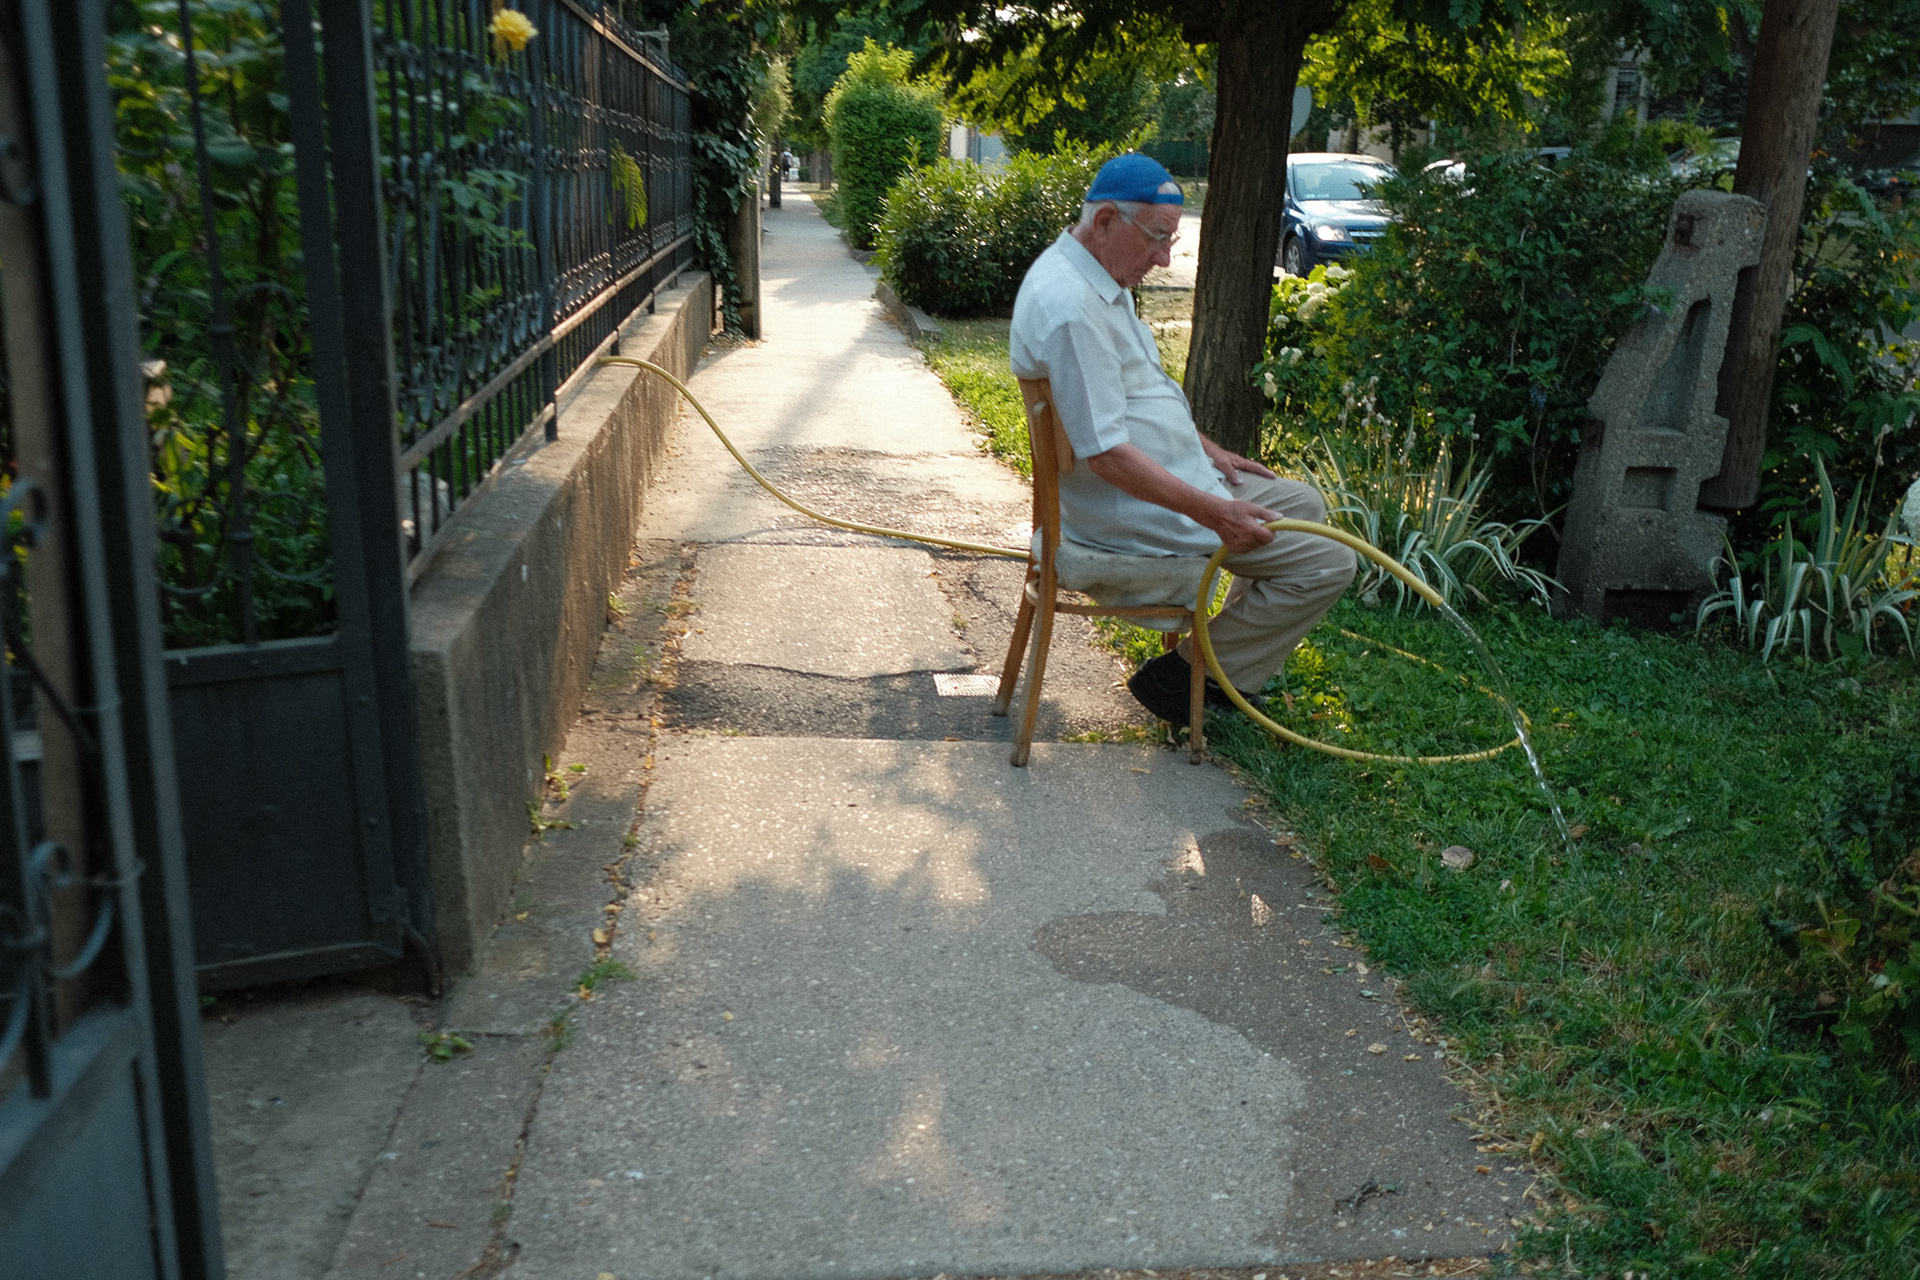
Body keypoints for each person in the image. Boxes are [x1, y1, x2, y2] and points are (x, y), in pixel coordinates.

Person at [1008, 152, 1356, 727]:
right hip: (1128, 514)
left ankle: (1219, 670)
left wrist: (1208, 451)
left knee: (1304, 504)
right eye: (1156, 238)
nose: (1165, 258)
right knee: (1329, 564)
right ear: (1105, 221)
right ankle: (1190, 678)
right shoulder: (1072, 309)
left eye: (1170, 240)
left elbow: (1135, 398)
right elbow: (1108, 456)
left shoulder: (1091, 278)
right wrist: (1215, 512)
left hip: (1154, 488)